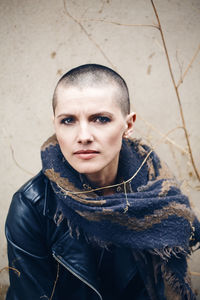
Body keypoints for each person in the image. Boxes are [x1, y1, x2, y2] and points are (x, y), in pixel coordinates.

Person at [5, 64, 200, 300]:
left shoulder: (156, 189)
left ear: (128, 125)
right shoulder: (32, 206)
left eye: (100, 119)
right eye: (68, 121)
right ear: (55, 125)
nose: (84, 136)